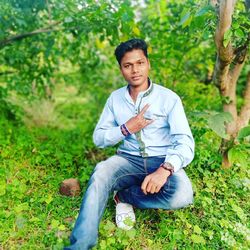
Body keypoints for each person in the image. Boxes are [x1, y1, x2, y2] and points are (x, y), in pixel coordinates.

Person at [64, 38, 194, 250]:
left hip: (161, 160)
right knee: (100, 173)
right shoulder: (115, 99)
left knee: (182, 195)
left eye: (140, 63)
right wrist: (126, 128)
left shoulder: (169, 98)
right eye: (128, 65)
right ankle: (80, 245)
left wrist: (166, 168)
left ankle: (124, 196)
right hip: (127, 160)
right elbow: (99, 138)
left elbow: (185, 142)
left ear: (148, 64)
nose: (135, 70)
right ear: (121, 69)